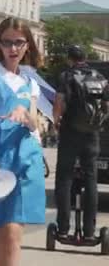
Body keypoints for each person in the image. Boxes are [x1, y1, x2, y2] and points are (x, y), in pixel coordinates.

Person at [0, 17, 45, 265]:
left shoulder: (31, 83)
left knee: (14, 233)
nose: (13, 49)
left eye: (19, 42)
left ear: (28, 45)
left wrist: (26, 115)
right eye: (7, 42)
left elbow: (36, 124)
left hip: (25, 158)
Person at [52, 45, 109, 242]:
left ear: (70, 58)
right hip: (92, 134)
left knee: (64, 179)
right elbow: (106, 104)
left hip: (70, 132)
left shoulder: (67, 76)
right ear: (85, 57)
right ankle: (89, 232)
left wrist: (56, 122)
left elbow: (59, 102)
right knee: (91, 181)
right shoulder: (100, 77)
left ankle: (62, 229)